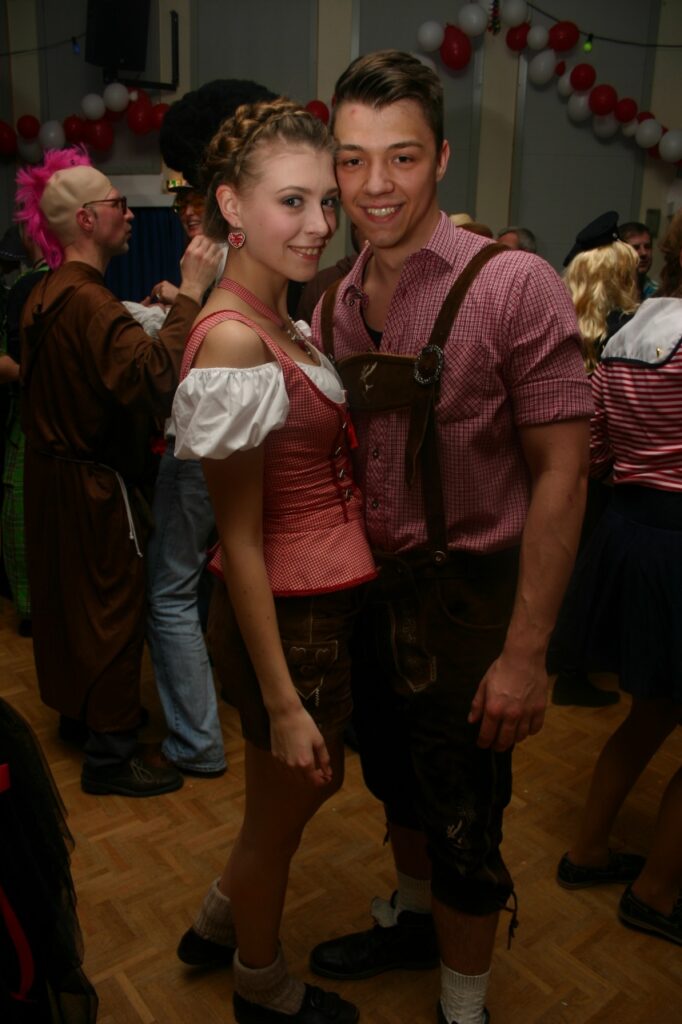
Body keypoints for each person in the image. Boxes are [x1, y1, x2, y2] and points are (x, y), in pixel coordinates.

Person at [306, 51, 593, 1024]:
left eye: (400, 157)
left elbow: (562, 475)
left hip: (474, 600)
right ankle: (413, 917)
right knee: (396, 782)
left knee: (466, 815)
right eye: (352, 160)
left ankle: (462, 1008)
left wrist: (526, 652)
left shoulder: (515, 284)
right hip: (373, 593)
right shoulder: (332, 299)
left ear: (440, 158)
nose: (374, 185)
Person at [171, 99, 375, 1024]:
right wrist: (285, 701)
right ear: (232, 206)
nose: (319, 223)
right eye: (292, 202)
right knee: (279, 818)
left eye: (325, 202)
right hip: (286, 615)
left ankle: (218, 922)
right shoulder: (233, 337)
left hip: (317, 602)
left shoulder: (275, 314)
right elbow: (240, 541)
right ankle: (262, 985)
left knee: (289, 806)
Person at [17, 146, 222, 797]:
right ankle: (110, 757)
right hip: (93, 487)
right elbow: (155, 377)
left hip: (53, 479)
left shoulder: (47, 292)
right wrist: (193, 291)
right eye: (118, 204)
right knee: (109, 611)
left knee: (69, 607)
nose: (130, 214)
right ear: (85, 219)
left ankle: (82, 719)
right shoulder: (89, 302)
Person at [555, 207, 682, 947]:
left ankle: (589, 850)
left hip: (632, 535)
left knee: (651, 713)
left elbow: (596, 453)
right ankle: (657, 893)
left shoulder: (629, 331)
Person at [550, 213, 640, 708]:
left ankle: (561, 657)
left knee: (564, 562)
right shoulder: (625, 335)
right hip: (598, 471)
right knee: (583, 569)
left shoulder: (561, 323)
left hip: (558, 464)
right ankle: (572, 668)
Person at [618, 220, 657, 299]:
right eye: (635, 248)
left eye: (647, 247)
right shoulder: (607, 292)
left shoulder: (658, 293)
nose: (644, 253)